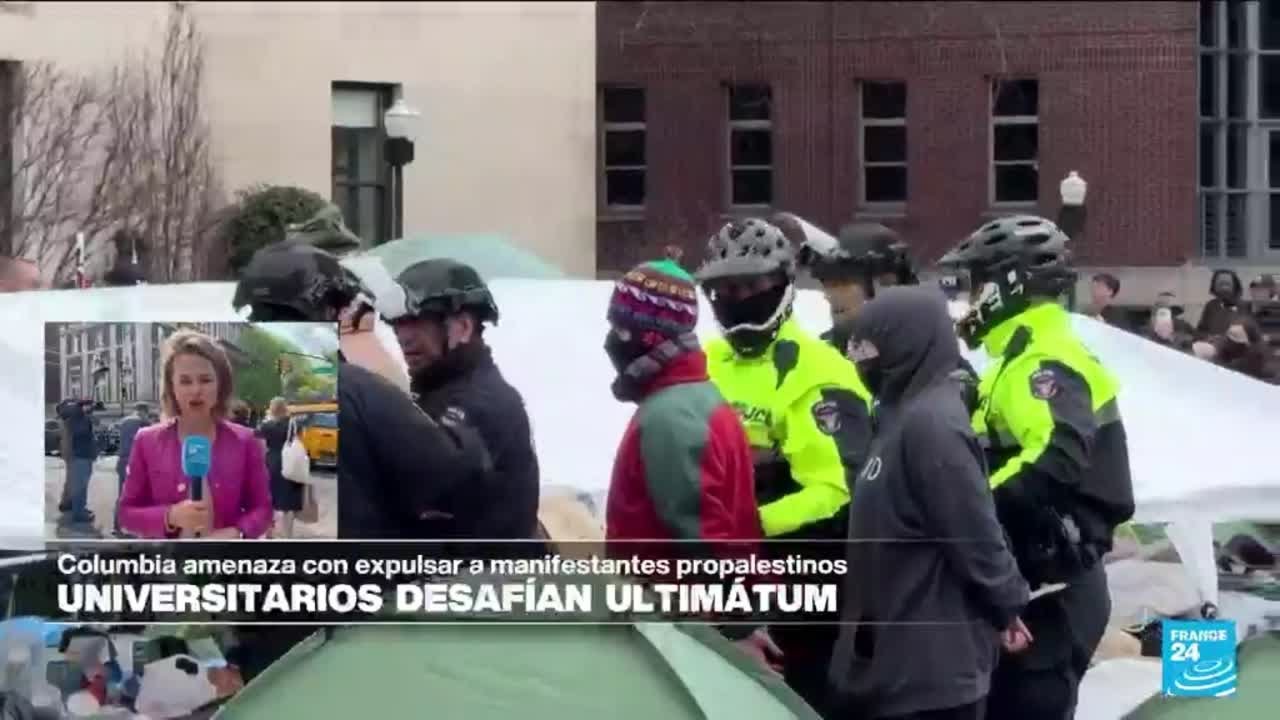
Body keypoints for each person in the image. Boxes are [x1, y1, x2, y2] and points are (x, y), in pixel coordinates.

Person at [936, 214, 1135, 720]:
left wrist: (969, 510)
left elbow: (1054, 456)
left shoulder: (1041, 358)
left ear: (1007, 285)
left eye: (976, 284)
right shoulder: (1017, 355)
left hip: (1056, 589)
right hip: (1044, 582)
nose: (968, 300)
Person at [694, 217, 873, 713]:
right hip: (715, 583)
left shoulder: (820, 371)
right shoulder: (704, 363)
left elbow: (839, 491)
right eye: (725, 289)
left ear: (782, 285)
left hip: (798, 585)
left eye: (751, 286)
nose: (737, 298)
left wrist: (747, 525)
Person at [829, 286, 1030, 720]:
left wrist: (1008, 605)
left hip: (932, 680)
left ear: (909, 344)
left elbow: (975, 533)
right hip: (893, 667)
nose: (860, 358)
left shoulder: (933, 425)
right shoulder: (899, 417)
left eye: (870, 346)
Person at [232, 240, 491, 539]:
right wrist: (466, 437)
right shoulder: (361, 389)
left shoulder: (239, 398)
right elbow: (451, 479)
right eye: (344, 307)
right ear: (328, 309)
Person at [601, 258, 779, 673]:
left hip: (676, 630)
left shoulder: (669, 417)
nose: (612, 340)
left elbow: (703, 537)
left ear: (652, 336)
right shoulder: (702, 399)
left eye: (622, 329)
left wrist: (738, 628)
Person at [388, 258, 541, 542]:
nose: (403, 336)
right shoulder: (440, 389)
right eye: (398, 323)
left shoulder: (481, 402)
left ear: (463, 327)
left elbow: (423, 480)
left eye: (418, 322)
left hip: (480, 579)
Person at [118, 330, 273, 539]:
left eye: (206, 379)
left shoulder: (245, 441)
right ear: (171, 387)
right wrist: (169, 516)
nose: (196, 390)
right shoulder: (146, 440)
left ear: (221, 384)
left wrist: (238, 533)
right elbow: (126, 514)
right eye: (185, 381)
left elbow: (263, 510)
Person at [257, 397, 301, 538]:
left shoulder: (267, 426)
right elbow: (297, 440)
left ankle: (269, 532)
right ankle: (288, 535)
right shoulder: (293, 424)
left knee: (270, 499)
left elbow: (259, 442)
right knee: (288, 502)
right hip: (291, 463)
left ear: (272, 408)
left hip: (272, 463)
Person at [55, 398, 99, 534]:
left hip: (80, 456)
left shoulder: (76, 418)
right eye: (89, 406)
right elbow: (83, 436)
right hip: (81, 456)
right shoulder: (78, 419)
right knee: (80, 485)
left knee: (78, 484)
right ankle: (79, 513)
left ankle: (78, 508)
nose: (91, 409)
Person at [113, 402, 152, 537]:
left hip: (122, 461)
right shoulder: (143, 422)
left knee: (122, 495)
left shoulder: (124, 421)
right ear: (144, 411)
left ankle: (117, 526)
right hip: (135, 463)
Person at [1197, 269, 1246, 338]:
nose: (1224, 288)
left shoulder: (1243, 306)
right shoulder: (1211, 306)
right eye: (1221, 284)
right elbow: (1202, 329)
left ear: (1234, 286)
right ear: (1214, 286)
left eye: (1227, 284)